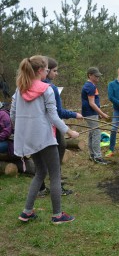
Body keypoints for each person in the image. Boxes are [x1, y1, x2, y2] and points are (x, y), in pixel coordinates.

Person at [11, 55, 79, 223]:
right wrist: (69, 131)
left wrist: (24, 130)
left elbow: (13, 115)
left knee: (40, 172)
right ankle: (57, 215)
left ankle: (27, 211)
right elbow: (54, 117)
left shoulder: (19, 90)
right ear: (40, 71)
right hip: (45, 138)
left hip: (29, 139)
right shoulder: (46, 89)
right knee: (54, 175)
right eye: (47, 70)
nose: (48, 72)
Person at [38, 57, 84, 197]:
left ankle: (42, 188)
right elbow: (57, 112)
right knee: (60, 148)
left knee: (41, 156)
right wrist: (74, 114)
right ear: (47, 71)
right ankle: (55, 184)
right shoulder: (50, 88)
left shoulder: (33, 85)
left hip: (38, 126)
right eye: (54, 71)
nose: (56, 74)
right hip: (52, 125)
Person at [81, 67, 109, 164]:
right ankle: (98, 157)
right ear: (90, 75)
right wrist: (102, 113)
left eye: (98, 76)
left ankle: (92, 154)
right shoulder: (90, 86)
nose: (98, 78)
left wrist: (98, 113)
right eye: (96, 76)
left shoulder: (90, 85)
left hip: (91, 113)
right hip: (90, 113)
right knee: (96, 133)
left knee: (92, 133)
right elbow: (92, 103)